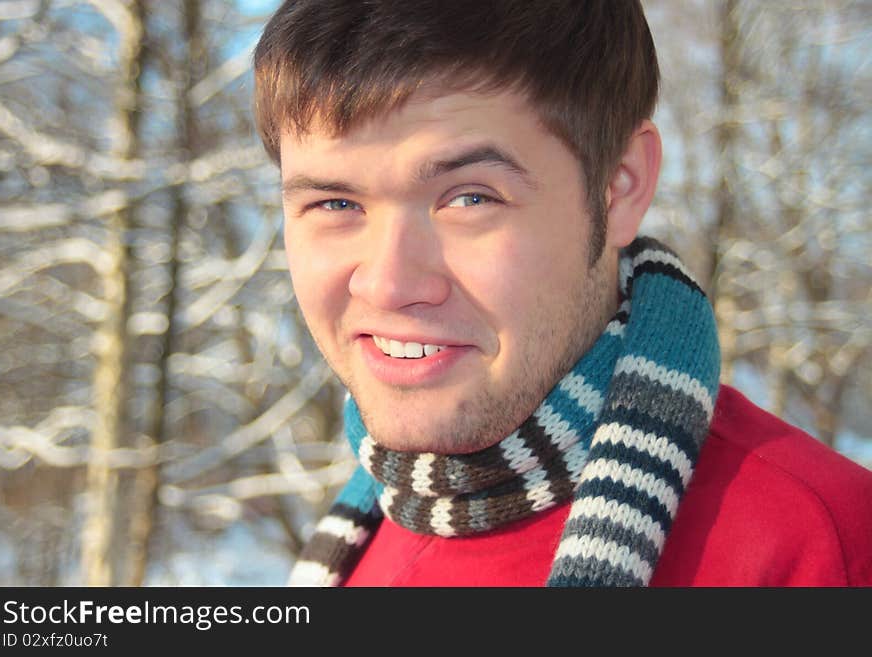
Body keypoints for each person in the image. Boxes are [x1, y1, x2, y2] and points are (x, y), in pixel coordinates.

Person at [252, 0, 872, 586]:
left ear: (621, 186)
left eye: (470, 198)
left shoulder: (821, 546)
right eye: (334, 202)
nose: (388, 283)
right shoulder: (361, 537)